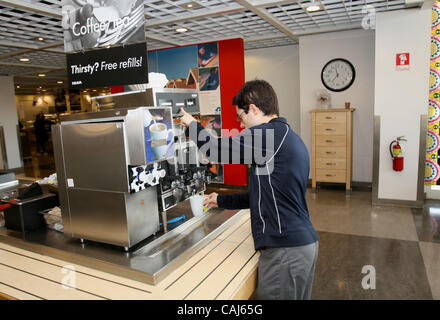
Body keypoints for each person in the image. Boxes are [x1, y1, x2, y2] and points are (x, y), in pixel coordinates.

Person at [179, 80, 319, 300]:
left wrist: (191, 124)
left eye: (241, 117)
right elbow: (263, 194)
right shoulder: (284, 135)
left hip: (285, 249)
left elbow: (215, 150)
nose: (241, 124)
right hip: (297, 245)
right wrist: (221, 200)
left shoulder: (268, 135)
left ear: (253, 108)